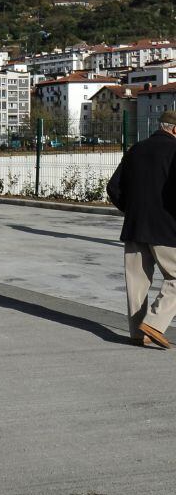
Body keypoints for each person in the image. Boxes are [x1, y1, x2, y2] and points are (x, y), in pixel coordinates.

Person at [107, 109, 176, 349]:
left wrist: (132, 209)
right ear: (175, 129)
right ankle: (155, 325)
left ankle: (138, 333)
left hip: (134, 226)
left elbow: (113, 187)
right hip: (166, 228)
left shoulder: (136, 149)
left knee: (137, 282)